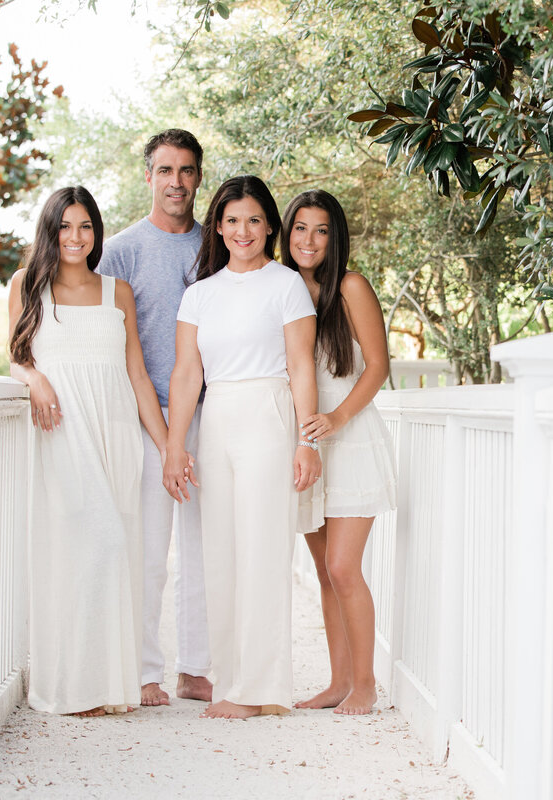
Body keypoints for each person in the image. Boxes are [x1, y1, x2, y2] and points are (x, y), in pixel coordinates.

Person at [163, 175, 325, 719]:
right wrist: (173, 445)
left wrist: (306, 441)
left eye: (254, 219)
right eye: (232, 220)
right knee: (220, 555)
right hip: (217, 422)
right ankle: (229, 682)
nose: (243, 230)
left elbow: (302, 366)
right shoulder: (200, 293)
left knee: (260, 551)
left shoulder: (285, 285)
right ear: (218, 226)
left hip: (269, 415)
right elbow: (187, 375)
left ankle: (259, 690)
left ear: (270, 226)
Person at [8, 186, 167, 716]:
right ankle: (70, 687)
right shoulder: (27, 286)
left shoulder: (116, 291)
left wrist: (168, 448)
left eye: (85, 227)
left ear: (96, 233)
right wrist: (35, 379)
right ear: (49, 231)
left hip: (116, 431)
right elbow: (14, 358)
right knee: (89, 549)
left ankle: (102, 686)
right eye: (65, 227)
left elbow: (138, 375)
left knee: (114, 554)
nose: (75, 238)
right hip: (62, 433)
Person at [97, 129, 213, 706]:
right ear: (148, 176)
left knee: (203, 547)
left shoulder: (215, 247)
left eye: (186, 171)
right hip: (146, 414)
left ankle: (197, 669)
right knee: (148, 547)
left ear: (198, 177)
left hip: (209, 412)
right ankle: (144, 669)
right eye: (165, 170)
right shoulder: (118, 250)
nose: (176, 182)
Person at [283, 190, 397, 716]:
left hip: (347, 436)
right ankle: (337, 682)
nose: (309, 240)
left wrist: (337, 418)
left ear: (336, 236)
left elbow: (377, 365)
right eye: (300, 228)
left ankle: (366, 684)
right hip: (304, 440)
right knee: (324, 570)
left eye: (321, 230)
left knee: (343, 567)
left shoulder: (350, 286)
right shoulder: (281, 289)